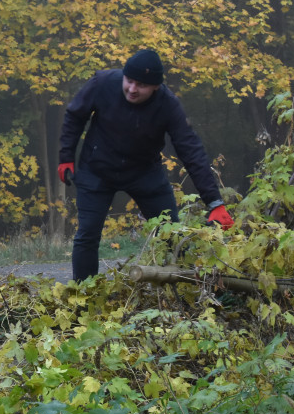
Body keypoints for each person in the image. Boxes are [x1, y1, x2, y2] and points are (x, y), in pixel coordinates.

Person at [55, 49, 234, 281]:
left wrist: (215, 202)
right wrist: (66, 156)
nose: (132, 89)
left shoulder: (168, 105)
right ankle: (83, 295)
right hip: (97, 168)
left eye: (141, 85)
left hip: (144, 172)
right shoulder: (103, 83)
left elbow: (190, 150)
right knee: (87, 235)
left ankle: (182, 288)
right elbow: (74, 116)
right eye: (129, 81)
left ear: (155, 87)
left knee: (171, 234)